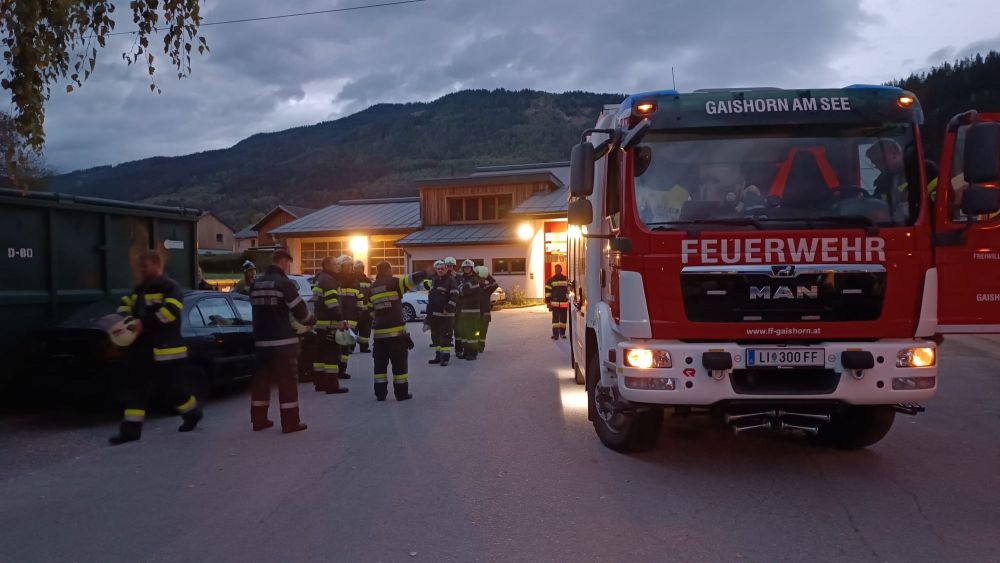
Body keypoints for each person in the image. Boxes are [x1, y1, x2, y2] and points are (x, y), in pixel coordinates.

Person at [109, 250, 202, 445]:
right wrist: (122, 320)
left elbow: (170, 313)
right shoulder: (140, 289)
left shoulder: (170, 287)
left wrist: (143, 323)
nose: (142, 270)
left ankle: (192, 412)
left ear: (157, 265)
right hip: (142, 350)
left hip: (167, 350)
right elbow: (126, 305)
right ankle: (130, 431)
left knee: (171, 390)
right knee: (137, 390)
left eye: (145, 266)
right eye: (140, 267)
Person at [249, 249, 315, 433]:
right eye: (289, 264)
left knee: (261, 383)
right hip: (282, 344)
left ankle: (259, 420)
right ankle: (290, 423)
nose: (289, 268)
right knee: (287, 383)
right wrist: (311, 321)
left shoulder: (256, 284)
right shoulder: (284, 283)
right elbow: (301, 312)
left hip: (260, 343)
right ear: (284, 262)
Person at [368, 261, 428, 401]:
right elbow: (411, 280)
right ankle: (401, 394)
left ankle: (380, 394)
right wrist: (426, 272)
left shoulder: (372, 287)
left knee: (380, 367)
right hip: (396, 334)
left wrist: (381, 319)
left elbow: (370, 310)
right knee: (399, 366)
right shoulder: (394, 283)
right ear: (389, 269)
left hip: (379, 336)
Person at [310, 257, 349, 394]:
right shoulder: (329, 281)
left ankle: (320, 383)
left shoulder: (319, 279)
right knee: (332, 355)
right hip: (330, 325)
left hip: (320, 325)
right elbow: (332, 303)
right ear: (327, 265)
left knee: (320, 356)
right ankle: (332, 386)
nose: (337, 267)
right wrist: (341, 320)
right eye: (335, 264)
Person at [425, 260, 459, 366]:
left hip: (446, 315)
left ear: (446, 270)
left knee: (445, 336)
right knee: (435, 336)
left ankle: (445, 358)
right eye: (438, 269)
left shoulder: (451, 280)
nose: (440, 270)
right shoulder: (434, 280)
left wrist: (448, 308)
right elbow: (431, 297)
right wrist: (428, 314)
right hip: (434, 315)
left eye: (442, 269)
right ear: (436, 270)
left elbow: (455, 296)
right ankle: (438, 356)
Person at [334, 255, 360, 378]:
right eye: (347, 265)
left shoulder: (355, 281)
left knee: (346, 348)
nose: (350, 268)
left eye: (351, 265)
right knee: (336, 346)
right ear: (340, 266)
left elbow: (360, 299)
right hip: (337, 319)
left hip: (351, 318)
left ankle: (342, 370)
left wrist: (358, 313)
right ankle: (335, 371)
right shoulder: (335, 280)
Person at [455, 259, 481, 360]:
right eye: (465, 267)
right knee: (464, 333)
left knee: (472, 333)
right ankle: (466, 352)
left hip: (472, 312)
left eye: (468, 267)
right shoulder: (463, 279)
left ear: (472, 269)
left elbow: (463, 291)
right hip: (463, 311)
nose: (466, 269)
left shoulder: (474, 279)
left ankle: (473, 353)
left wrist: (460, 287)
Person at [475, 266, 499, 353]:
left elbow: (495, 284)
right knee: (475, 330)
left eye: (482, 278)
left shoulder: (487, 288)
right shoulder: (473, 288)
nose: (481, 280)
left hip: (485, 314)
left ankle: (481, 346)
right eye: (479, 278)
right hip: (476, 313)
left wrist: (488, 275)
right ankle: (475, 344)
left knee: (483, 331)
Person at [545, 264, 569, 339]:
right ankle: (555, 335)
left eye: (559, 269)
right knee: (555, 320)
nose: (557, 270)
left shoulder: (566, 279)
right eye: (556, 269)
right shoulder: (550, 280)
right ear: (555, 270)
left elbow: (570, 289)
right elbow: (548, 292)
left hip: (564, 303)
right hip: (554, 303)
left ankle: (562, 334)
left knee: (563, 320)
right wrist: (548, 302)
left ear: (561, 270)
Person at [354, 259, 373, 353]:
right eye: (358, 268)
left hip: (366, 310)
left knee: (365, 329)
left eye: (361, 268)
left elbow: (371, 294)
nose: (360, 270)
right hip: (355, 309)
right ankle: (350, 346)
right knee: (353, 328)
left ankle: (364, 347)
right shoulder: (351, 280)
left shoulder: (368, 281)